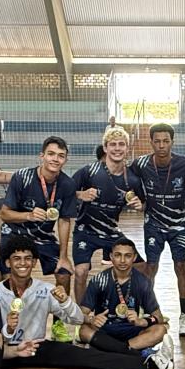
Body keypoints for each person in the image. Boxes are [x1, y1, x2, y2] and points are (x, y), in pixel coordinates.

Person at [0, 237, 170, 369]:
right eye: (17, 259)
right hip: (6, 351)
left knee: (89, 358)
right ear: (7, 263)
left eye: (27, 259)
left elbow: (76, 318)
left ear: (34, 262)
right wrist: (8, 330)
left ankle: (149, 364)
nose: (22, 263)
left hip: (37, 348)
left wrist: (64, 301)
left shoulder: (46, 290)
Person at [0, 136, 77, 340]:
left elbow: (64, 221)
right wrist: (28, 215)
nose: (55, 159)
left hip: (43, 237)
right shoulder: (22, 177)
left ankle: (59, 325)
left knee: (64, 273)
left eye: (61, 156)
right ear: (41, 156)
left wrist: (64, 255)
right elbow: (5, 214)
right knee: (8, 278)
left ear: (65, 160)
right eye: (51, 154)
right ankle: (9, 323)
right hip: (16, 233)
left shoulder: (67, 184)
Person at [129, 123, 185, 337]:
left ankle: (184, 316)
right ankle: (148, 311)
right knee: (151, 267)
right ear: (151, 142)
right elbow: (125, 182)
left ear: (172, 142)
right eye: (157, 141)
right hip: (153, 224)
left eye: (165, 141)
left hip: (178, 225)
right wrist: (135, 199)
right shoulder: (140, 164)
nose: (161, 145)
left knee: (180, 267)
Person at [76, 237, 174, 369]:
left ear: (134, 258)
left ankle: (111, 350)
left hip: (132, 333)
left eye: (127, 256)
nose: (122, 261)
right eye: (118, 255)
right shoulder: (98, 280)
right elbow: (81, 313)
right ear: (111, 257)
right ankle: (131, 352)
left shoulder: (143, 282)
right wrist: (92, 319)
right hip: (105, 331)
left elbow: (158, 316)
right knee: (84, 330)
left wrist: (142, 321)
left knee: (160, 330)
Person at [71, 127, 144, 304]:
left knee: (141, 266)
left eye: (121, 144)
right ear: (105, 148)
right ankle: (82, 315)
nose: (117, 148)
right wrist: (81, 194)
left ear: (127, 148)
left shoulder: (132, 179)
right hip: (85, 231)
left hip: (111, 232)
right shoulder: (89, 171)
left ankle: (136, 306)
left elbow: (144, 202)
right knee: (81, 272)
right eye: (113, 144)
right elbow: (65, 192)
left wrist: (141, 205)